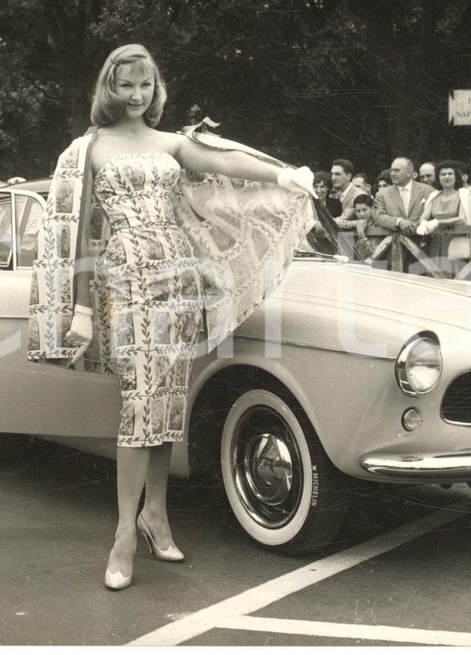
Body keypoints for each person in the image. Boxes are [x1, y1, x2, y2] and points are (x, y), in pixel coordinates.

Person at [27, 44, 316, 592]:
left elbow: (226, 162)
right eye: (125, 86)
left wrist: (284, 179)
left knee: (165, 404)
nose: (136, 96)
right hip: (126, 280)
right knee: (140, 405)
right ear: (108, 89)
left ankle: (155, 516)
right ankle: (122, 536)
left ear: (155, 88)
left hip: (178, 280)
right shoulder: (88, 148)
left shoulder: (170, 142)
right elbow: (81, 231)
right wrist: (83, 309)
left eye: (145, 85)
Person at [415, 160, 471, 276]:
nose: (446, 177)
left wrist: (438, 222)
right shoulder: (434, 196)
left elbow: (462, 219)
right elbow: (423, 217)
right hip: (436, 243)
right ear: (438, 177)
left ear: (456, 176)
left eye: (450, 174)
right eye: (443, 174)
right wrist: (423, 223)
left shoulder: (463, 194)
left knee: (455, 278)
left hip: (455, 242)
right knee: (435, 277)